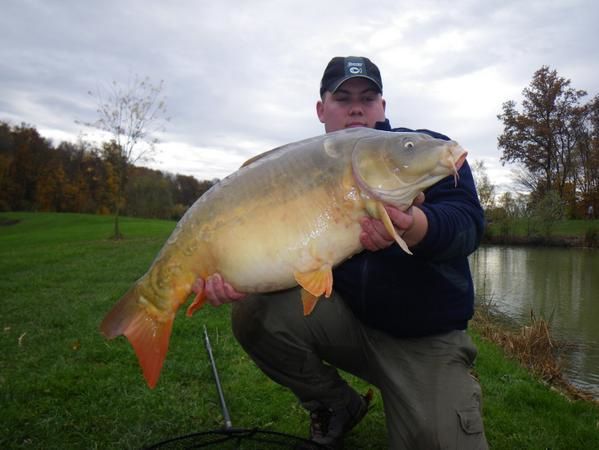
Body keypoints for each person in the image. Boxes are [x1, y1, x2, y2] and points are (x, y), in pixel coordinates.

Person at [193, 56, 488, 449]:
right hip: (351, 325)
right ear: (321, 109)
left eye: (368, 97)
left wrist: (414, 225)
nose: (356, 107)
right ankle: (335, 405)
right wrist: (238, 273)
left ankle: (434, 392)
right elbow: (281, 245)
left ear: (382, 106)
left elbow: (466, 224)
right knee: (254, 312)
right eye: (343, 97)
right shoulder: (301, 169)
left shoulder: (417, 151)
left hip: (425, 338)